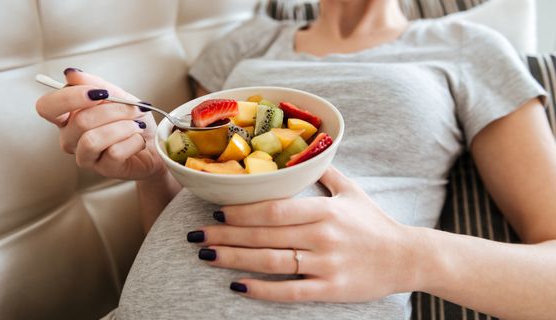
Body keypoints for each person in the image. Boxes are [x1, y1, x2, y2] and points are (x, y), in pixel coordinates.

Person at [35, 0, 556, 319]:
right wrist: (152, 171)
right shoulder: (240, 45)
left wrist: (409, 256)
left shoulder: (469, 46)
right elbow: (195, 198)